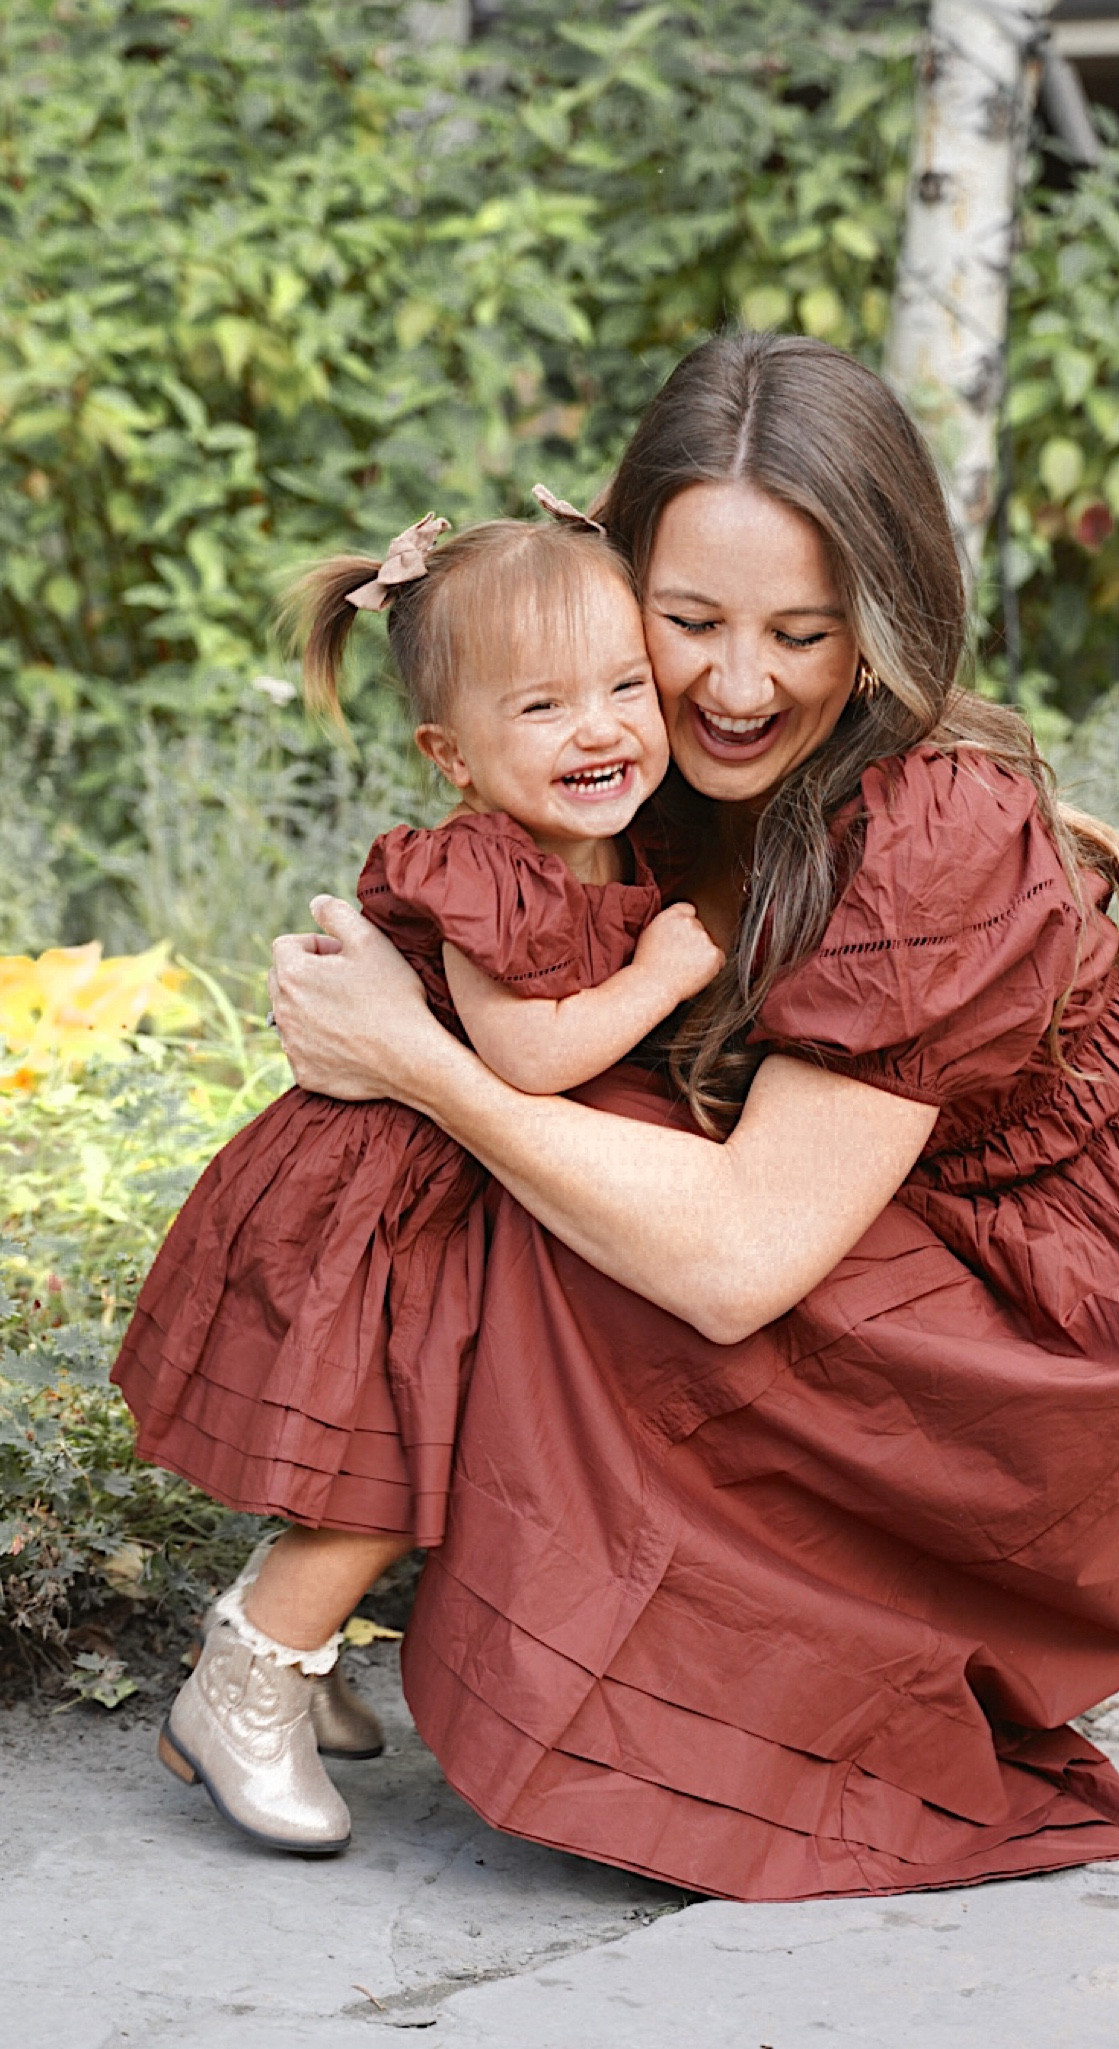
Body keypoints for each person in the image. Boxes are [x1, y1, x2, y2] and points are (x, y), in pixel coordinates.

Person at [158, 331, 1119, 1901]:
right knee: (483, 1158)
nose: (738, 686)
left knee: (520, 1182)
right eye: (687, 624)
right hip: (855, 1214)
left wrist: (422, 1062)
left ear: (884, 621)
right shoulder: (634, 741)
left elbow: (736, 1257)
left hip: (1045, 1318)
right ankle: (309, 1617)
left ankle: (274, 1631)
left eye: (802, 633)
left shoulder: (925, 825)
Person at [112, 502, 722, 1853]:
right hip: (389, 1203)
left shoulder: (600, 840)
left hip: (456, 1193)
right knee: (392, 1458)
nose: (602, 728)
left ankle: (296, 1650)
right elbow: (528, 1054)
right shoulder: (480, 871)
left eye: (626, 686)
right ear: (451, 754)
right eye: (545, 706)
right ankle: (245, 1678)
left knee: (410, 1446)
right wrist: (667, 971)